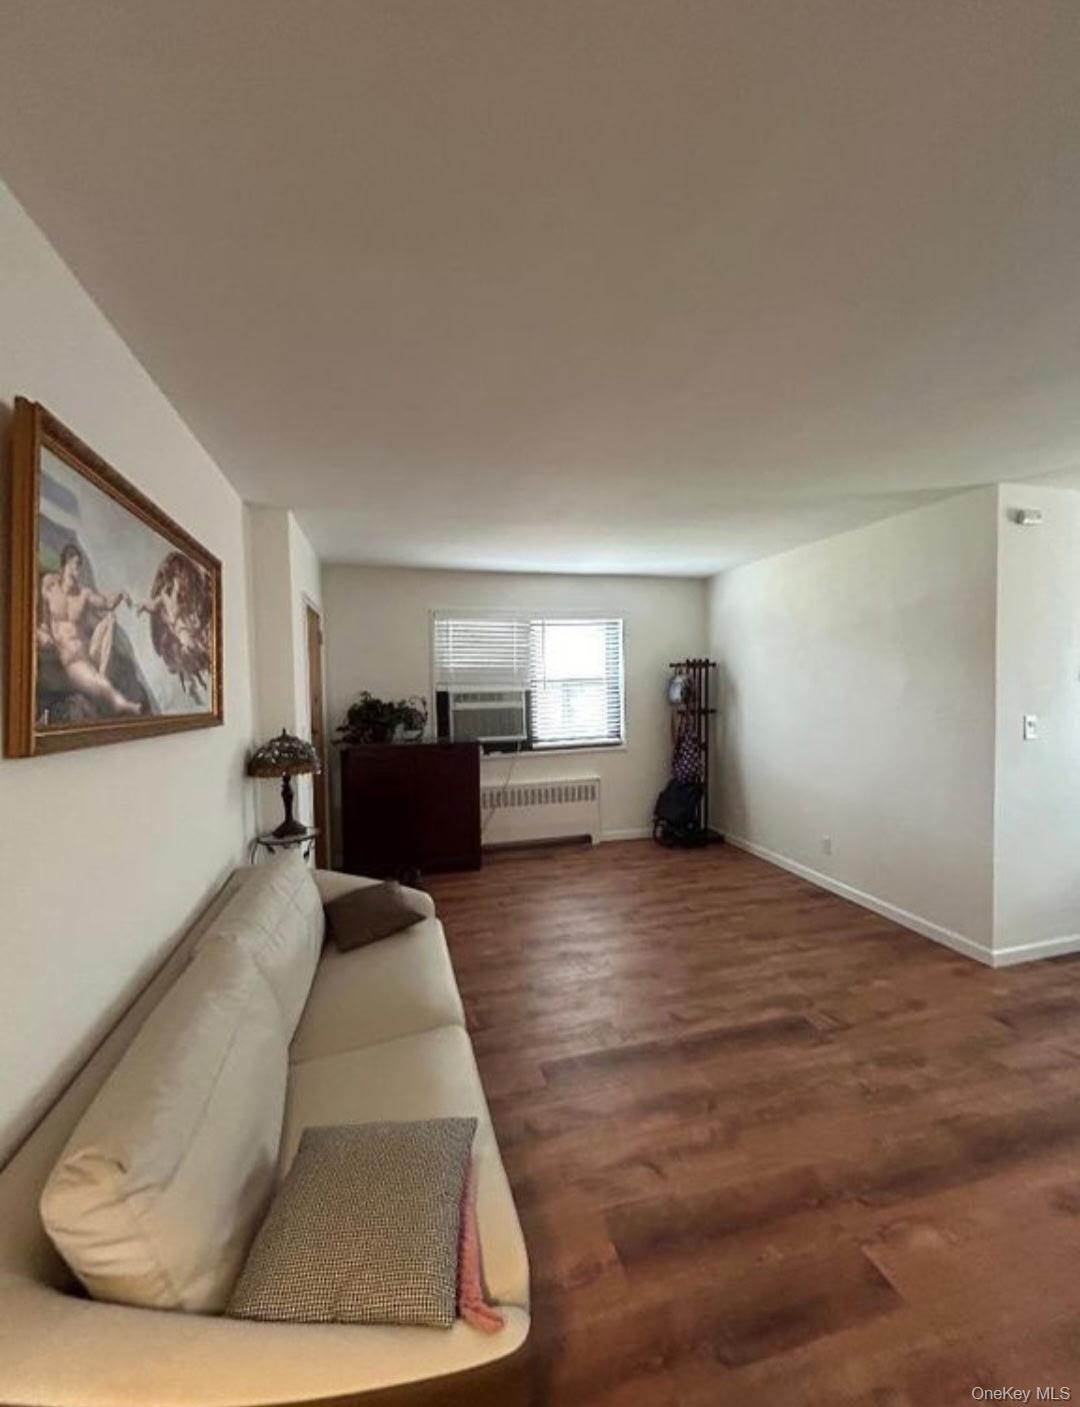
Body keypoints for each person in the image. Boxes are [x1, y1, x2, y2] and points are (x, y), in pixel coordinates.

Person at [38, 543, 142, 716]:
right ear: (66, 563)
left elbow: (106, 604)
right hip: (56, 650)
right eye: (76, 563)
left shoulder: (83, 594)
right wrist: (42, 631)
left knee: (110, 620)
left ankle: (120, 703)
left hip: (79, 657)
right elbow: (41, 611)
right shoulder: (50, 585)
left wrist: (122, 595)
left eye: (80, 564)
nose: (78, 569)